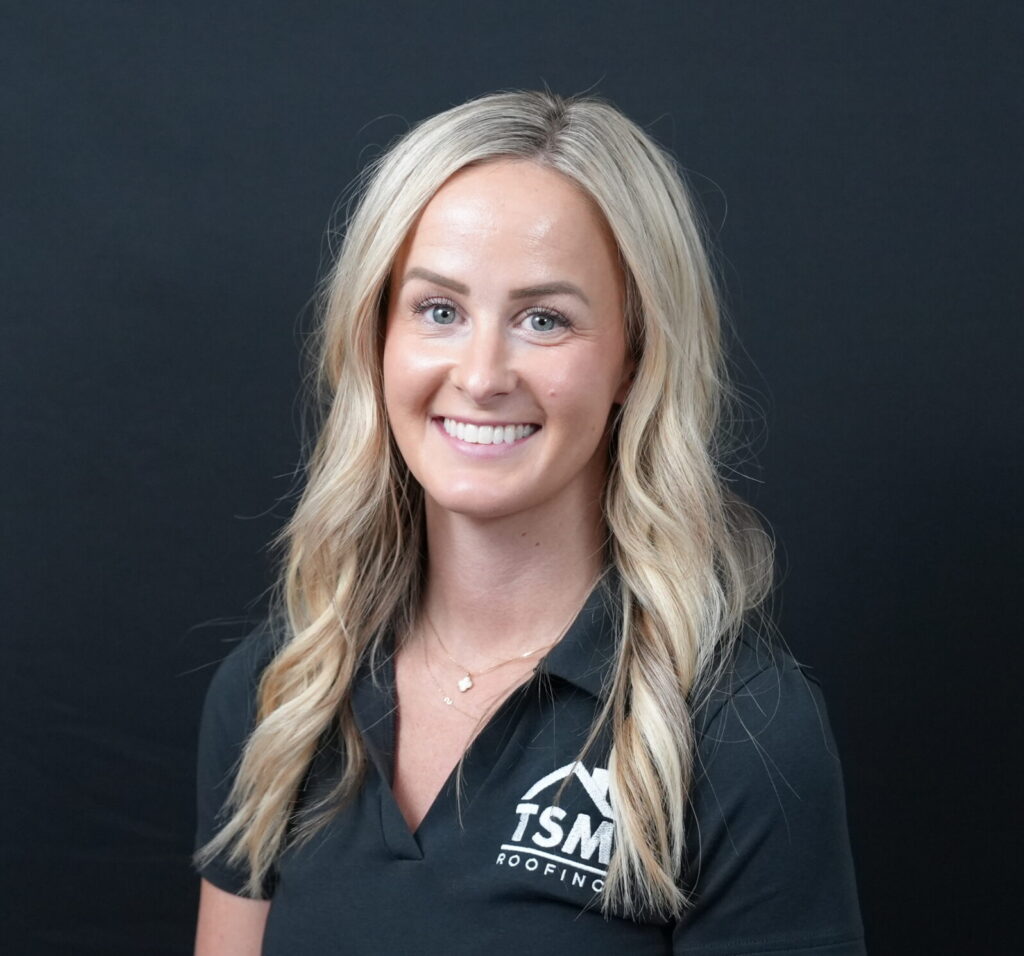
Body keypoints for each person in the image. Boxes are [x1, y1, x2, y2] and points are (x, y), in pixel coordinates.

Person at [192, 89, 865, 955]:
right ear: (377, 337)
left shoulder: (740, 731)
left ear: (635, 356)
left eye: (544, 319)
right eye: (439, 310)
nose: (480, 374)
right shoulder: (282, 692)